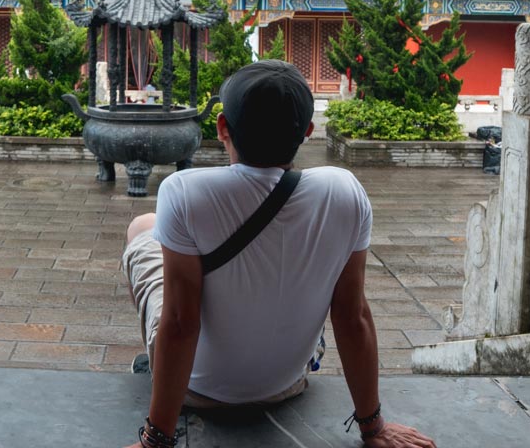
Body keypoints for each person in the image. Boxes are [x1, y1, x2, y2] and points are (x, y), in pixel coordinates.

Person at [121, 60, 435, 448]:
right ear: (307, 131)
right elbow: (352, 317)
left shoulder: (185, 191)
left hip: (197, 391)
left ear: (222, 127)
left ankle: (157, 366)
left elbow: (181, 323)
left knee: (142, 229)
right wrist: (374, 427)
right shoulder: (344, 191)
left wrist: (155, 440)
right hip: (287, 384)